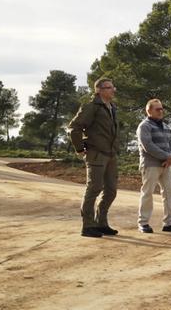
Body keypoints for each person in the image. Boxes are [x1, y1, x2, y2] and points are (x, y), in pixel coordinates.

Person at [68, 78, 119, 238]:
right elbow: (74, 128)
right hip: (96, 154)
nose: (113, 90)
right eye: (109, 87)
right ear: (99, 90)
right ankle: (88, 226)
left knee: (111, 191)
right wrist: (80, 149)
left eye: (112, 87)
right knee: (94, 188)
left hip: (111, 154)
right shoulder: (91, 107)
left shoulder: (112, 107)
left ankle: (101, 223)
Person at [136, 99, 171, 234]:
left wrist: (170, 157)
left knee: (170, 192)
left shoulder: (166, 126)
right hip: (150, 164)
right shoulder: (144, 126)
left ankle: (169, 223)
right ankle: (143, 223)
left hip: (166, 165)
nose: (161, 111)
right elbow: (148, 146)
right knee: (147, 193)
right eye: (157, 109)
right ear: (149, 111)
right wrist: (166, 156)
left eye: (162, 108)